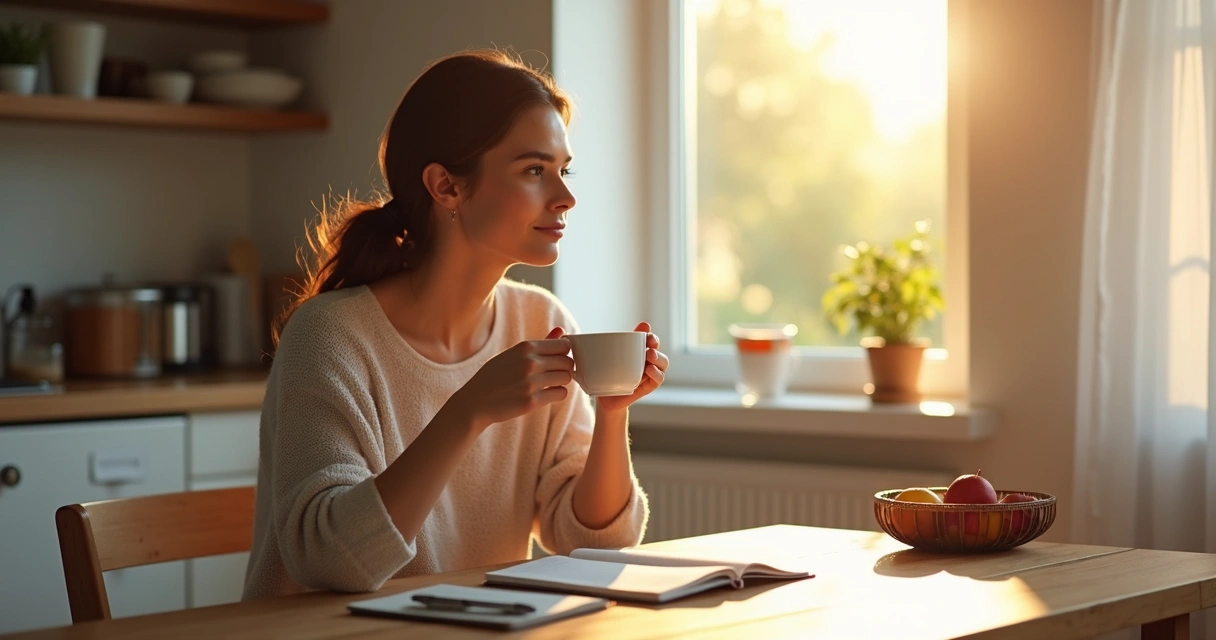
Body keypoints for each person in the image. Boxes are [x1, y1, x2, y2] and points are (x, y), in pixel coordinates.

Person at [241, 49, 668, 600]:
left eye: (563, 171)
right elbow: (329, 562)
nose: (566, 197)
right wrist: (468, 410)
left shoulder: (540, 321)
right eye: (534, 171)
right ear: (446, 187)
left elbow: (588, 539)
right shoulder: (329, 338)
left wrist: (612, 412)